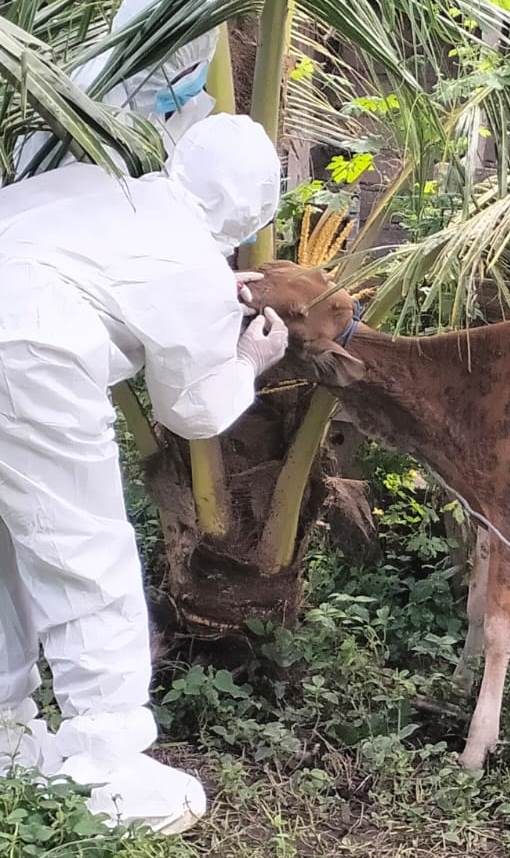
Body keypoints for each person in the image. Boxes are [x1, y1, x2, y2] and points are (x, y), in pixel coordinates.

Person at [0, 112, 287, 835]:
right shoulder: (195, 266)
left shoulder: (97, 185)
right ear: (251, 210)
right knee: (82, 549)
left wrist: (209, 292)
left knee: (5, 546)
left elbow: (121, 269)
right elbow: (193, 411)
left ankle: (7, 732)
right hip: (29, 354)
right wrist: (250, 359)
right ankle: (107, 762)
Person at [14, 0, 219, 176]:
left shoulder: (175, 99)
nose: (195, 76)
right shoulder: (88, 98)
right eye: (187, 67)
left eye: (199, 65)